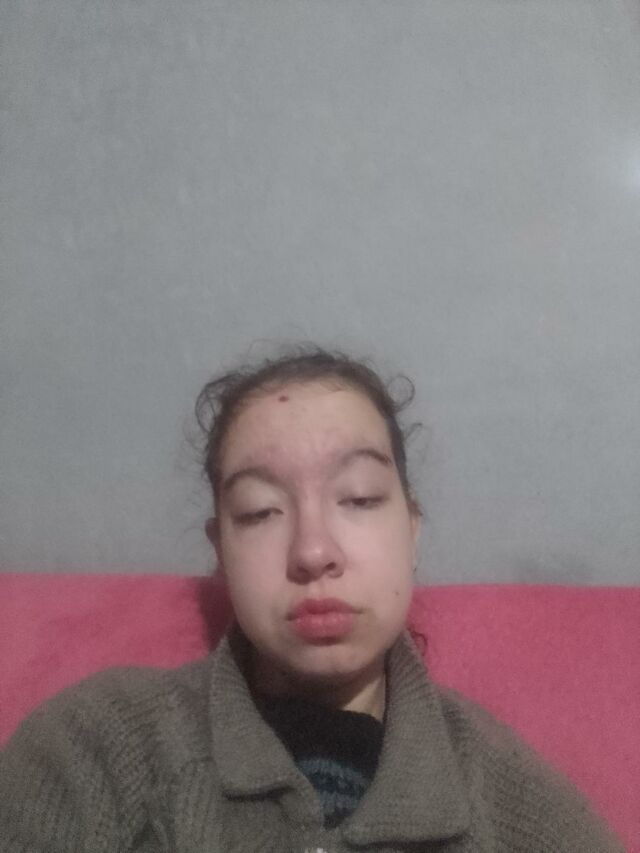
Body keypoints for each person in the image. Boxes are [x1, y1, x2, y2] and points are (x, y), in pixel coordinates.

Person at [0, 343, 624, 852]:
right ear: (221, 550)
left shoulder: (514, 805)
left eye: (358, 498)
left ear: (411, 528)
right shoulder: (93, 749)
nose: (313, 550)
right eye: (259, 510)